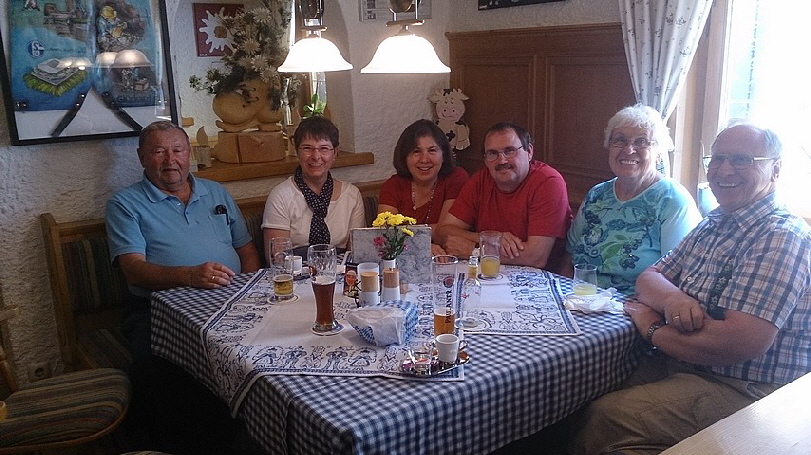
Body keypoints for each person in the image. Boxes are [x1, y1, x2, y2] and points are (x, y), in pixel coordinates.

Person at [570, 124, 811, 454]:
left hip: (747, 389)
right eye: (718, 159)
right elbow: (649, 278)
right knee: (588, 387)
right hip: (686, 365)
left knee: (607, 415)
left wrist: (652, 328)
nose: (724, 170)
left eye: (742, 160)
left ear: (776, 169)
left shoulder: (780, 237)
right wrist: (674, 298)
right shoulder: (716, 222)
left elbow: (738, 343)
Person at [105, 120, 260, 453]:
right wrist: (189, 276)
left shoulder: (216, 192)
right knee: (157, 370)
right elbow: (133, 270)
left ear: (189, 153)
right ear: (142, 157)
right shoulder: (124, 204)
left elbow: (246, 250)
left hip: (231, 301)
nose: (170, 159)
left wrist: (248, 294)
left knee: (265, 349)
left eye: (177, 150)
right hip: (157, 310)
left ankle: (254, 434)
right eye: (159, 151)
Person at [566, 105, 702, 295]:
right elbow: (569, 254)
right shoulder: (597, 195)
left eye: (641, 141)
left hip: (637, 306)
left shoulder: (673, 201)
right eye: (620, 140)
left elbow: (678, 277)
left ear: (658, 152)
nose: (629, 150)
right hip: (581, 299)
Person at [436, 122, 572, 271]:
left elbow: (536, 257)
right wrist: (489, 238)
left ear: (529, 152)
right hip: (489, 273)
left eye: (510, 151)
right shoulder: (480, 180)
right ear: (485, 159)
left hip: (541, 277)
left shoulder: (548, 182)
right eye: (493, 153)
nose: (502, 161)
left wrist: (475, 251)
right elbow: (443, 232)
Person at [262, 116, 365, 252]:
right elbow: (277, 256)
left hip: (341, 265)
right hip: (295, 265)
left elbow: (357, 253)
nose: (316, 156)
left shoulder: (352, 195)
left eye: (324, 148)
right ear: (297, 151)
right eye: (307, 148)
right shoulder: (280, 196)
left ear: (335, 153)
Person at [378, 119, 469, 255]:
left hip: (449, 257)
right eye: (416, 151)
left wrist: (406, 234)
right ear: (404, 157)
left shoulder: (456, 178)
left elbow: (446, 232)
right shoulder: (392, 185)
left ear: (444, 155)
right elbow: (386, 234)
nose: (424, 159)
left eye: (432, 150)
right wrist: (421, 246)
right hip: (404, 258)